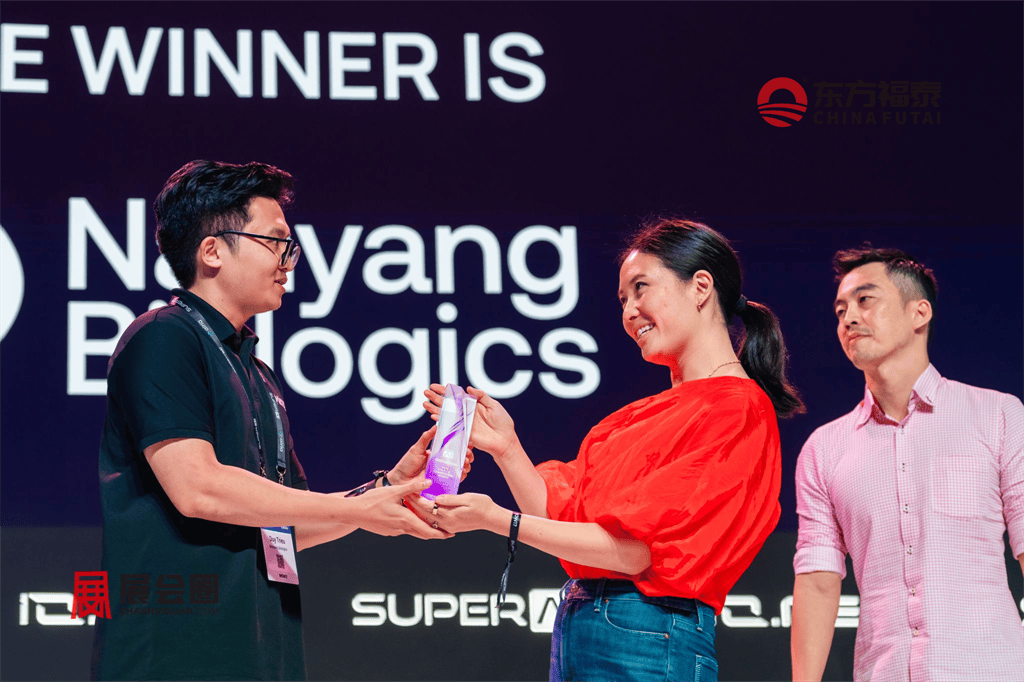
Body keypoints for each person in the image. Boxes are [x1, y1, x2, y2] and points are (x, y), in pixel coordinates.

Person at [92, 160, 453, 681]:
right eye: (275, 241)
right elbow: (197, 488)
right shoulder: (164, 336)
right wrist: (360, 508)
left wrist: (386, 486)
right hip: (174, 656)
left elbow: (290, 523)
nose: (289, 261)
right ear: (212, 251)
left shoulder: (257, 371)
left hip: (261, 655)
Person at [421, 218, 805, 682]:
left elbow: (636, 553)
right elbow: (561, 517)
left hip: (649, 637)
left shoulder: (736, 408)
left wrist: (497, 520)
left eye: (640, 289)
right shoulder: (636, 418)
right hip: (592, 629)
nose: (629, 312)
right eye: (623, 299)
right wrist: (506, 447)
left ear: (701, 287)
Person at [790, 247, 1024, 682]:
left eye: (865, 300)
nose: (849, 318)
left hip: (992, 668)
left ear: (919, 313)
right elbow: (818, 581)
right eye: (840, 310)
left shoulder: (999, 415)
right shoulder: (824, 449)